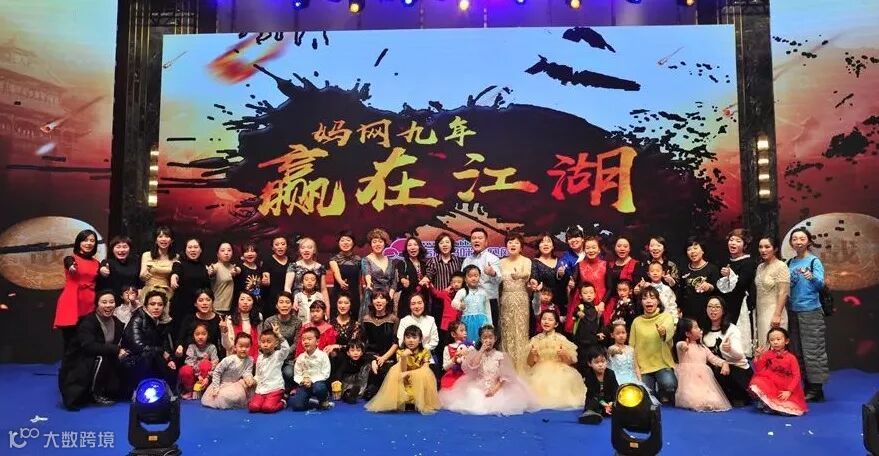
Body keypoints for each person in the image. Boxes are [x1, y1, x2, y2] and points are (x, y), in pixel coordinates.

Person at [440, 325, 537, 416]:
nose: (488, 340)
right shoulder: (476, 354)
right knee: (472, 396)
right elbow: (473, 366)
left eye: (490, 337)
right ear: (481, 339)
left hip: (496, 387)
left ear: (495, 339)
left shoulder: (500, 355)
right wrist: (481, 351)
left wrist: (494, 390)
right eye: (485, 338)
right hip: (479, 385)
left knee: (501, 402)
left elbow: (504, 376)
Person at [55, 229, 101, 406]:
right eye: (85, 240)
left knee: (86, 352)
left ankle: (81, 392)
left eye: (92, 240)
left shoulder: (97, 263)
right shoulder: (71, 259)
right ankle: (68, 395)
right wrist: (71, 266)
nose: (89, 243)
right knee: (71, 352)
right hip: (71, 306)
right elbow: (69, 263)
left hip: (89, 307)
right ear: (79, 242)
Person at [60, 290, 126, 410]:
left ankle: (110, 390)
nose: (108, 305)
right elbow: (89, 347)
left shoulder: (117, 323)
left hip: (107, 358)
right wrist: (116, 349)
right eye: (104, 302)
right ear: (97, 304)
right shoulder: (88, 322)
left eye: (111, 302)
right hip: (82, 359)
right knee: (102, 357)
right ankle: (95, 393)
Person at [786, 227, 829, 402]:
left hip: (811, 310)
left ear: (809, 241)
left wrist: (812, 277)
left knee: (814, 350)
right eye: (795, 239)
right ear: (791, 242)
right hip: (793, 311)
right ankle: (805, 385)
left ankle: (816, 389)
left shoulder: (814, 261)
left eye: (802, 239)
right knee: (797, 351)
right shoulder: (789, 262)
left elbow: (821, 285)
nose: (798, 242)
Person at [366, 325, 441, 414]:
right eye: (408, 337)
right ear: (404, 340)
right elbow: (402, 370)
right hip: (404, 379)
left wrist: (410, 373)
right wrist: (404, 356)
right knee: (396, 373)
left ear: (420, 340)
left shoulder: (425, 352)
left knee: (425, 375)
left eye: (414, 337)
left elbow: (425, 369)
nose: (411, 340)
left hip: (419, 380)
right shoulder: (400, 352)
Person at [523, 309, 586, 410]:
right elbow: (530, 363)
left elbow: (570, 362)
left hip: (559, 370)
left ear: (556, 324)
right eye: (544, 319)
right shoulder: (535, 339)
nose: (546, 322)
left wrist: (564, 354)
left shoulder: (561, 339)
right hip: (539, 370)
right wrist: (531, 353)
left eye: (550, 319)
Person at [120, 291, 177, 397]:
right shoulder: (137, 319)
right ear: (145, 306)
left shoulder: (162, 322)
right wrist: (161, 352)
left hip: (153, 356)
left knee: (171, 363)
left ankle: (166, 392)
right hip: (134, 359)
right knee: (151, 356)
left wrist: (170, 359)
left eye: (160, 304)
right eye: (152, 304)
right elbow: (137, 346)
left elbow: (165, 345)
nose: (156, 307)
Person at [629, 286, 677, 404]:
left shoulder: (666, 316)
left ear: (658, 301)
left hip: (662, 364)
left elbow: (669, 331)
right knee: (646, 395)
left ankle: (662, 391)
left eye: (652, 297)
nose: (648, 301)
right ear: (641, 302)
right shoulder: (636, 321)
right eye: (645, 298)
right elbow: (631, 346)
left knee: (669, 385)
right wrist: (636, 368)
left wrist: (663, 332)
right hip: (643, 367)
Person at [702, 296, 753, 406]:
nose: (713, 310)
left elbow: (739, 355)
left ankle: (738, 396)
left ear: (723, 310)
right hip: (716, 367)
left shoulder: (732, 329)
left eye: (717, 307)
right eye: (710, 307)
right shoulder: (703, 330)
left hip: (738, 371)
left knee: (720, 371)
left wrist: (730, 350)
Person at [673, 318, 731, 412]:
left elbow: (713, 358)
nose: (699, 329)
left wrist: (724, 363)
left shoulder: (703, 347)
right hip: (689, 381)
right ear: (687, 333)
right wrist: (684, 346)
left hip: (704, 380)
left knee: (713, 399)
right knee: (693, 398)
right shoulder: (682, 344)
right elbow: (680, 346)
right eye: (696, 327)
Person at [749, 327, 808, 416]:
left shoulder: (791, 358)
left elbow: (796, 376)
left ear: (786, 341)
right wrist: (758, 357)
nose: (775, 342)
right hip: (771, 383)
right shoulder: (767, 354)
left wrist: (789, 391)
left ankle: (773, 406)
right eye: (772, 340)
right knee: (757, 381)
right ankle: (767, 404)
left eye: (778, 339)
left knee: (788, 411)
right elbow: (759, 370)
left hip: (786, 385)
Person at [716, 229, 757, 343]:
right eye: (731, 240)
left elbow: (742, 284)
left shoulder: (749, 262)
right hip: (725, 304)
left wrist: (731, 275)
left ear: (745, 245)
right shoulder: (725, 261)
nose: (733, 243)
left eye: (738, 241)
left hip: (740, 304)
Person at [499, 232, 532, 371]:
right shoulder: (501, 262)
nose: (513, 245)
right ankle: (507, 367)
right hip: (505, 299)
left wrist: (519, 275)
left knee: (520, 331)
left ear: (521, 247)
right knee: (506, 332)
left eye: (516, 243)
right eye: (510, 242)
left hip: (520, 299)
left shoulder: (526, 261)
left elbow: (527, 274)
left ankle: (521, 367)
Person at [754, 236, 790, 354]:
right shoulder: (760, 267)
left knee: (775, 348)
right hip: (761, 312)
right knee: (763, 348)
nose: (763, 250)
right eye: (760, 247)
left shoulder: (781, 266)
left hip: (774, 311)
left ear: (775, 249)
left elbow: (783, 292)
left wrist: (777, 315)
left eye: (767, 247)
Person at [361, 290, 400, 399]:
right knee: (369, 394)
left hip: (389, 357)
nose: (378, 301)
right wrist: (373, 360)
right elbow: (363, 343)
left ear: (387, 301)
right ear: (372, 301)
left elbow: (396, 343)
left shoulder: (394, 319)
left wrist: (384, 358)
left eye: (382, 298)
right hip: (371, 356)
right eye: (375, 298)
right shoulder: (366, 319)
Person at [568, 236, 611, 333]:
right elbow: (574, 284)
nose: (591, 250)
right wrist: (571, 285)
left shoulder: (605, 264)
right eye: (587, 248)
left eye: (594, 247)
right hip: (583, 304)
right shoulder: (579, 265)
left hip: (601, 303)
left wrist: (602, 303)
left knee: (600, 333)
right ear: (584, 250)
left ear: (599, 250)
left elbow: (610, 288)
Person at [202, 332, 255, 410]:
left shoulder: (250, 360)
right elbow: (217, 372)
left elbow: (247, 372)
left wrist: (248, 378)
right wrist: (216, 387)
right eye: (241, 346)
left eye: (247, 346)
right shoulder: (229, 360)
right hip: (222, 383)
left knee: (249, 386)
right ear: (235, 347)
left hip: (236, 384)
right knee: (223, 396)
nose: (244, 349)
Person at [261, 291, 302, 391]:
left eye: (287, 302)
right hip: (272, 357)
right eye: (281, 302)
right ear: (276, 305)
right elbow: (265, 341)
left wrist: (284, 354)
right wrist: (276, 355)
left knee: (289, 373)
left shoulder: (297, 322)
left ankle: (287, 390)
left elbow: (296, 343)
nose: (284, 305)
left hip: (289, 358)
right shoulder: (269, 321)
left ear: (292, 305)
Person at [461, 228, 501, 331]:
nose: (476, 240)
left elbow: (500, 280)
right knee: (470, 331)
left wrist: (493, 273)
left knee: (490, 331)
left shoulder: (493, 258)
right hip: (470, 302)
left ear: (486, 242)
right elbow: (462, 281)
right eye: (473, 238)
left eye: (480, 238)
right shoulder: (467, 260)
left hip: (489, 301)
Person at [424, 232, 462, 337]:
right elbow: (429, 276)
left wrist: (453, 287)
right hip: (438, 302)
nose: (444, 245)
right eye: (441, 243)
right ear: (438, 246)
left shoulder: (457, 260)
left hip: (454, 300)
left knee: (454, 329)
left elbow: (461, 278)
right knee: (439, 330)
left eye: (447, 242)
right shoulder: (433, 261)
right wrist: (425, 279)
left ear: (451, 244)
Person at [250, 323, 293, 413]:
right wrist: (253, 380)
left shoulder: (278, 355)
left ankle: (283, 401)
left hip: (275, 388)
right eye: (263, 342)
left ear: (276, 343)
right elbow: (257, 374)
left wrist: (278, 335)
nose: (265, 344)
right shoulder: (259, 358)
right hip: (261, 389)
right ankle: (265, 400)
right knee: (253, 407)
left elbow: (286, 349)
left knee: (268, 408)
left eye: (269, 342)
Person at [169, 237, 211, 330]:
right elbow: (175, 273)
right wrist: (173, 278)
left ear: (201, 250)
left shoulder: (204, 266)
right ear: (185, 250)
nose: (193, 250)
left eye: (196, 247)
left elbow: (207, 287)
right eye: (190, 247)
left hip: (198, 308)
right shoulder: (179, 263)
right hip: (181, 308)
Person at [529, 232, 568, 330]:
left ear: (553, 245)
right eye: (542, 242)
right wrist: (533, 283)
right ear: (538, 246)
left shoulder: (560, 261)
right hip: (543, 304)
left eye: (548, 241)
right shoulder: (535, 262)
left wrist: (562, 275)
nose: (545, 244)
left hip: (559, 303)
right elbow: (534, 277)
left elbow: (565, 283)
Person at [140, 226, 178, 322]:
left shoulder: (176, 257)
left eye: (167, 236)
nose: (163, 239)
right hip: (149, 291)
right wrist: (143, 275)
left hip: (167, 293)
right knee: (146, 321)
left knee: (164, 322)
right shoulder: (147, 255)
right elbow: (142, 275)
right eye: (160, 236)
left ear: (171, 240)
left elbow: (177, 273)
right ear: (156, 240)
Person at [291, 327, 332, 411]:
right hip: (305, 384)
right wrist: (302, 381)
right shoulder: (301, 357)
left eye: (309, 339)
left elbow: (325, 373)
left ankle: (323, 399)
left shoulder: (323, 355)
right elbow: (297, 374)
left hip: (318, 383)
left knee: (319, 388)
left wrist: (311, 380)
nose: (305, 342)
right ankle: (309, 400)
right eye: (303, 340)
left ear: (317, 342)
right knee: (297, 406)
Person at [360, 228, 398, 321]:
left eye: (380, 241)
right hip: (372, 296)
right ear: (371, 244)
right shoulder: (366, 260)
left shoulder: (391, 261)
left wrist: (390, 295)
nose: (377, 244)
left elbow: (394, 281)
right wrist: (369, 284)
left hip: (388, 297)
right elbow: (367, 274)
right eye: (374, 242)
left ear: (384, 243)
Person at [174, 289, 222, 360]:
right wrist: (179, 347)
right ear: (195, 303)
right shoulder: (189, 318)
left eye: (208, 300)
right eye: (201, 300)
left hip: (211, 358)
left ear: (212, 302)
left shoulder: (218, 319)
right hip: (190, 357)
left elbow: (221, 344)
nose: (204, 303)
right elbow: (180, 339)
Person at [679, 237, 720, 320]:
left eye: (695, 248)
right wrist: (679, 308)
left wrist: (709, 287)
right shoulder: (684, 269)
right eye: (689, 249)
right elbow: (681, 291)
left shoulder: (712, 269)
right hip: (688, 313)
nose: (692, 251)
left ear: (703, 250)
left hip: (706, 312)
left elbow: (718, 290)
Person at [606, 236, 644, 321]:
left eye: (625, 246)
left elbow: (638, 287)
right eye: (619, 246)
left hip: (629, 306)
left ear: (629, 249)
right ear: (615, 248)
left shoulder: (636, 264)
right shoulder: (610, 264)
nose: (622, 249)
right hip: (611, 304)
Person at [578, 346, 619, 425]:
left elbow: (615, 389)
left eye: (603, 361)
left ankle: (607, 411)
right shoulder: (589, 375)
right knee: (592, 403)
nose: (600, 365)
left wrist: (611, 402)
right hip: (595, 400)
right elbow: (593, 393)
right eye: (596, 362)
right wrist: (604, 405)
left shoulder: (611, 373)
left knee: (620, 403)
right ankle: (590, 414)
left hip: (608, 400)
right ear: (590, 363)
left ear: (607, 361)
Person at [284, 237, 330, 305]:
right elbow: (287, 288)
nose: (306, 250)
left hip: (316, 305)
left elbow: (323, 290)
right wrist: (291, 303)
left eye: (309, 247)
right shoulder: (293, 266)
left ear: (314, 250)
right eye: (303, 248)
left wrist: (327, 307)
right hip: (297, 303)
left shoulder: (320, 267)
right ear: (299, 251)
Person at [572, 282, 606, 375]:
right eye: (585, 293)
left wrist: (601, 332)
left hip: (593, 341)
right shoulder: (580, 307)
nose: (589, 295)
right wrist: (578, 313)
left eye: (591, 292)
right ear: (580, 296)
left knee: (592, 362)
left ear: (595, 295)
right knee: (581, 362)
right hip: (581, 341)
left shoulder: (597, 309)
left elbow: (601, 323)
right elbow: (574, 313)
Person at [427, 271, 465, 353]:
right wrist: (430, 284)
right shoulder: (446, 293)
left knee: (459, 344)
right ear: (450, 283)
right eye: (454, 282)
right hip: (446, 324)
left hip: (459, 323)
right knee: (445, 344)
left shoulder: (465, 295)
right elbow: (436, 294)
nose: (456, 284)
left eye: (459, 282)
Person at [179, 323, 219, 400]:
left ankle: (203, 391)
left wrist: (207, 377)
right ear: (193, 336)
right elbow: (189, 362)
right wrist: (198, 375)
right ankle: (190, 391)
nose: (200, 337)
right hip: (195, 376)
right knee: (185, 369)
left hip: (206, 377)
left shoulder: (212, 347)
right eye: (197, 334)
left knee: (206, 363)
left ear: (208, 335)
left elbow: (215, 363)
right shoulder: (191, 346)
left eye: (203, 334)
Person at [453, 265, 492, 345]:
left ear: (479, 277)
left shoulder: (483, 292)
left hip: (482, 323)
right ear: (465, 279)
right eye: (470, 276)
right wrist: (460, 305)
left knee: (482, 343)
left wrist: (490, 323)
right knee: (469, 344)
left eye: (476, 276)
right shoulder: (462, 291)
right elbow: (453, 303)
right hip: (467, 323)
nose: (473, 278)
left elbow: (487, 309)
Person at [328, 230, 362, 319]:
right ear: (338, 243)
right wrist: (341, 282)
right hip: (338, 293)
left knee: (354, 320)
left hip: (354, 294)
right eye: (342, 240)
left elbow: (359, 281)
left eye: (348, 240)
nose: (345, 243)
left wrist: (361, 296)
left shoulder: (358, 260)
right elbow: (336, 273)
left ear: (353, 243)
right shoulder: (334, 259)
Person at [221, 291, 261, 362]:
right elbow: (227, 346)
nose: (245, 302)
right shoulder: (230, 319)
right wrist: (224, 332)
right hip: (234, 359)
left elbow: (259, 340)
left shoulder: (258, 317)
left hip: (255, 358)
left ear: (253, 303)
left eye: (249, 300)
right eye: (242, 299)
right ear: (237, 302)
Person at [97, 235, 140, 300]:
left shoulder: (135, 263)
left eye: (125, 247)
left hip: (131, 299)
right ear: (112, 249)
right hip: (112, 300)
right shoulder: (107, 263)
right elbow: (100, 280)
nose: (121, 250)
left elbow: (139, 283)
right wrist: (102, 272)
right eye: (118, 247)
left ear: (130, 249)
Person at [397, 295, 439, 359]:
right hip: (408, 356)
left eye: (419, 303)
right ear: (409, 306)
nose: (416, 306)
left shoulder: (431, 320)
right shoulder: (404, 321)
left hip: (426, 356)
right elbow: (401, 343)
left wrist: (420, 351)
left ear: (424, 304)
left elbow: (434, 341)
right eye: (413, 304)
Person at [396, 236, 429, 319]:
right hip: (407, 301)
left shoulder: (425, 264)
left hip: (423, 300)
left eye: (415, 244)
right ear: (406, 249)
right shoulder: (402, 263)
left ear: (419, 247)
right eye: (409, 245)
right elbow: (401, 277)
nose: (412, 247)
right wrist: (403, 281)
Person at [331, 340, 370, 404]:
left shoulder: (363, 358)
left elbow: (371, 356)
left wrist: (373, 361)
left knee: (368, 366)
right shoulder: (344, 360)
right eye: (352, 350)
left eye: (358, 350)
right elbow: (340, 372)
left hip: (357, 380)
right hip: (345, 380)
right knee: (345, 391)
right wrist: (337, 381)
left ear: (362, 353)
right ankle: (349, 396)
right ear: (348, 353)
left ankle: (366, 392)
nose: (355, 353)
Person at [235, 242, 268, 313]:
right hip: (243, 306)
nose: (250, 254)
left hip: (258, 305)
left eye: (252, 251)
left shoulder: (259, 268)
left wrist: (264, 282)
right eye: (246, 251)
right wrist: (234, 271)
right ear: (243, 254)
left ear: (256, 253)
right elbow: (237, 270)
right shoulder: (240, 267)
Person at [607, 322, 643, 386]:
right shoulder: (611, 348)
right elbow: (612, 351)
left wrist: (640, 381)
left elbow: (636, 367)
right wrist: (617, 351)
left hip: (632, 379)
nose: (621, 335)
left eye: (623, 333)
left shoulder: (631, 349)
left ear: (626, 334)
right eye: (618, 333)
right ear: (612, 335)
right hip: (617, 380)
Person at [263, 236, 291, 319]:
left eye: (283, 244)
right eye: (277, 244)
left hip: (287, 298)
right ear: (272, 247)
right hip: (271, 299)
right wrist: (265, 281)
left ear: (287, 246)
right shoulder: (267, 261)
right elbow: (265, 277)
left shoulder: (292, 261)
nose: (280, 247)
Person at [208, 242, 240, 313]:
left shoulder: (233, 267)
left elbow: (239, 270)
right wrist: (210, 271)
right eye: (222, 250)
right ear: (217, 254)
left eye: (229, 250)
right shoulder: (216, 267)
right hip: (218, 308)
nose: (226, 253)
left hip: (232, 308)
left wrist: (236, 270)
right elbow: (212, 271)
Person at [439, 320, 472, 389]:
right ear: (453, 334)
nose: (465, 332)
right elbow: (445, 367)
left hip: (466, 375)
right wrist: (453, 359)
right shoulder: (447, 348)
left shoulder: (469, 346)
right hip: (453, 376)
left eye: (465, 330)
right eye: (462, 330)